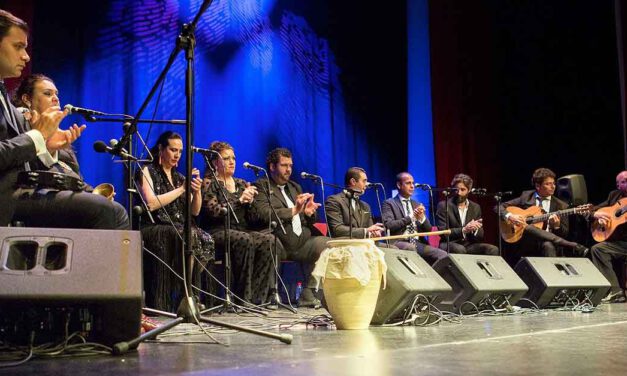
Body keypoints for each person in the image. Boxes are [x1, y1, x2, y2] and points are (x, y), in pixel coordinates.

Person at [0, 10, 127, 229]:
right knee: (108, 211)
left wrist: (49, 148)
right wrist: (37, 136)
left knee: (113, 211)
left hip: (19, 193)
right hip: (7, 198)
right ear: (27, 99)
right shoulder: (22, 115)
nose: (26, 56)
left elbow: (27, 161)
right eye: (18, 46)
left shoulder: (5, 98)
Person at [12, 73, 128, 228]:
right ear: (27, 99)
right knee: (105, 209)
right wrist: (47, 148)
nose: (56, 99)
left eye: (56, 94)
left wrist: (94, 192)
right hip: (30, 194)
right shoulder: (20, 122)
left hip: (61, 194)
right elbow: (22, 166)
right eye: (47, 94)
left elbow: (73, 177)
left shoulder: (61, 137)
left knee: (117, 210)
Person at [138, 131, 214, 312]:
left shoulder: (180, 177)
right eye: (173, 150)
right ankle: (185, 295)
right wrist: (182, 190)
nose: (177, 155)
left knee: (205, 238)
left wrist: (196, 192)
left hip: (178, 227)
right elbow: (151, 203)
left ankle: (188, 293)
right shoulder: (147, 170)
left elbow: (194, 211)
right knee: (188, 235)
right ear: (161, 149)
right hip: (155, 226)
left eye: (179, 151)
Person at [199, 141, 281, 305]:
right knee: (244, 239)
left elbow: (252, 219)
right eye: (226, 158)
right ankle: (242, 298)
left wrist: (251, 203)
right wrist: (239, 200)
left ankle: (258, 298)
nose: (232, 162)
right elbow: (214, 212)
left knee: (270, 241)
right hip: (216, 230)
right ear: (215, 162)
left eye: (233, 158)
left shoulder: (242, 183)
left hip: (242, 230)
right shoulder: (209, 183)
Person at [252, 147, 328, 308]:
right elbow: (265, 213)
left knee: (328, 246)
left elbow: (306, 218)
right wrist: (294, 210)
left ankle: (309, 294)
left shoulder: (295, 188)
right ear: (272, 167)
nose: (288, 170)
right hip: (279, 240)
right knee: (270, 243)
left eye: (290, 166)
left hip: (302, 242)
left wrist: (308, 212)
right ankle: (270, 296)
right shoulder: (262, 186)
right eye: (284, 165)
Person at [498, 168, 588, 262]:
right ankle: (571, 245)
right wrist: (510, 216)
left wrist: (556, 226)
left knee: (548, 245)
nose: (553, 186)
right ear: (537, 186)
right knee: (527, 227)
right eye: (548, 184)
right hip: (526, 241)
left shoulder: (561, 205)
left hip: (548, 241)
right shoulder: (526, 196)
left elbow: (564, 233)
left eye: (553, 183)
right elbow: (499, 207)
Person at [381, 172, 448, 264]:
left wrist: (422, 218)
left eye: (413, 183)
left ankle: (429, 276)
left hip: (417, 242)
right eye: (408, 183)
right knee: (410, 248)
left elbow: (428, 229)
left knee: (443, 255)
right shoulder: (389, 203)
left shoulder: (416, 204)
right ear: (399, 185)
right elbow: (389, 225)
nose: (412, 186)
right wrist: (411, 217)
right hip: (399, 241)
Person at [436, 173, 498, 255]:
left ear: (469, 190)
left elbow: (480, 236)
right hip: (448, 243)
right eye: (456, 189)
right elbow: (443, 232)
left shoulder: (475, 207)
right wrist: (464, 230)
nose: (459, 193)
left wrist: (475, 229)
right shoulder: (444, 205)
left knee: (493, 249)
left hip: (468, 244)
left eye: (462, 189)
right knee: (460, 249)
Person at [590, 170, 627, 303]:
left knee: (599, 249)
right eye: (624, 181)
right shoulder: (614, 196)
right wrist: (597, 215)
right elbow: (594, 209)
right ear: (618, 186)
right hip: (619, 243)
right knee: (598, 248)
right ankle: (615, 292)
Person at [325, 167, 385, 239]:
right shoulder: (334, 201)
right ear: (353, 181)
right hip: (342, 244)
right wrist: (365, 231)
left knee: (393, 249)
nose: (367, 184)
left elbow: (370, 228)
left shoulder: (365, 206)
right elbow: (337, 229)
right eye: (364, 181)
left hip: (363, 244)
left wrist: (375, 232)